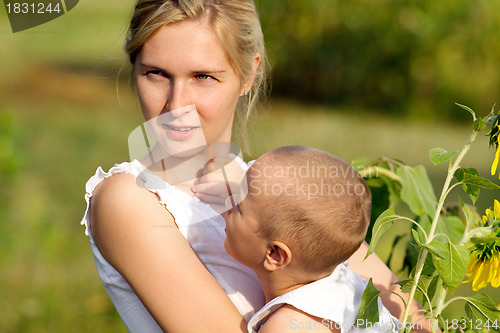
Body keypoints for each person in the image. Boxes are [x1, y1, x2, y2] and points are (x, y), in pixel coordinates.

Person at [81, 1, 429, 332]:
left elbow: (414, 317)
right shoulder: (129, 199)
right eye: (156, 74)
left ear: (249, 73)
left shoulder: (288, 194)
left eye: (203, 77)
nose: (176, 105)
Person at [224, 146, 400, 333]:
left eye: (239, 208)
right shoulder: (340, 282)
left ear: (275, 254)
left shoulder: (289, 326)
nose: (228, 203)